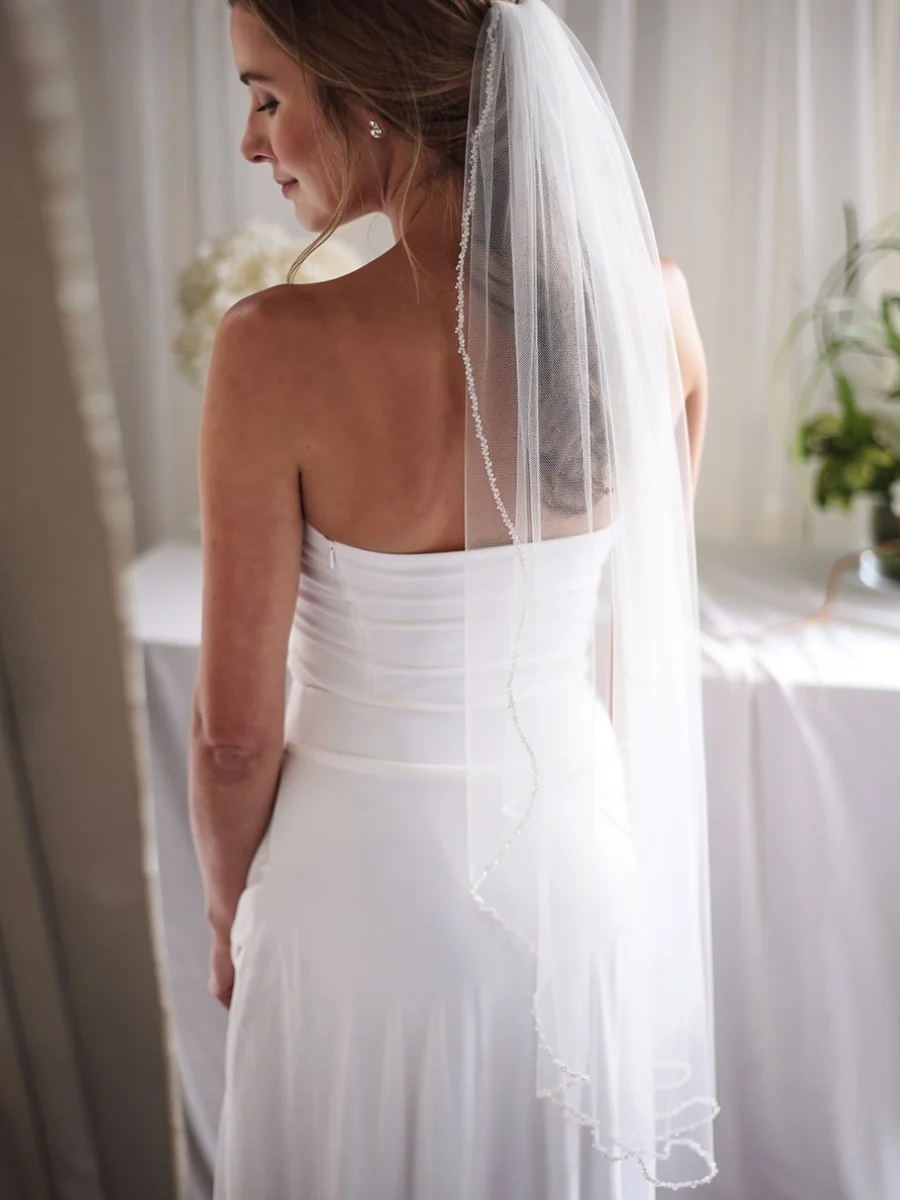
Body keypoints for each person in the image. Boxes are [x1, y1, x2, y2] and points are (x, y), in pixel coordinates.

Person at [189, 1, 717, 1196]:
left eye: (268, 97)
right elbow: (645, 642)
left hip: (350, 901)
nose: (251, 142)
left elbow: (231, 741)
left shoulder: (274, 350)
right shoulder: (655, 308)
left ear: (365, 96)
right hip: (574, 874)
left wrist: (230, 918)